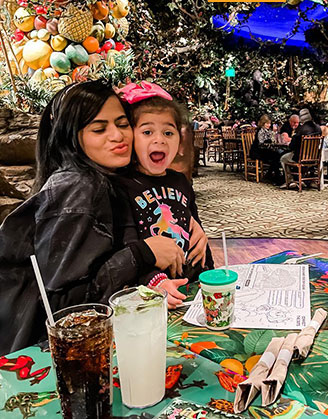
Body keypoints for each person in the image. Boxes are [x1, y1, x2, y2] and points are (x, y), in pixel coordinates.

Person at [0, 81, 199, 355]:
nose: (118, 136)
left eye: (122, 123)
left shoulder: (108, 179)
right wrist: (142, 253)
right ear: (71, 136)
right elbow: (67, 302)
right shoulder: (78, 188)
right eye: (99, 128)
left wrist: (189, 223)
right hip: (49, 354)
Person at [112, 81, 214, 305]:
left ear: (179, 142)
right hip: (154, 293)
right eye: (147, 132)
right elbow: (127, 246)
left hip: (192, 285)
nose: (159, 139)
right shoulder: (122, 185)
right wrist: (154, 282)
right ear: (130, 139)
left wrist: (210, 272)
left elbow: (196, 231)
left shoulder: (181, 181)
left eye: (169, 132)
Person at [280, 108, 321, 186]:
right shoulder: (318, 128)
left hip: (301, 157)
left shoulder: (301, 130)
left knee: (283, 158)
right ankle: (306, 179)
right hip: (315, 157)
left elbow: (292, 146)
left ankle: (291, 180)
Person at [249, 114, 284, 183]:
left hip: (264, 150)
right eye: (267, 123)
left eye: (269, 123)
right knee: (275, 156)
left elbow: (273, 139)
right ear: (263, 123)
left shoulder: (268, 131)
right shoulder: (260, 131)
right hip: (257, 151)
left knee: (277, 155)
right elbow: (261, 143)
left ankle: (270, 174)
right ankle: (275, 175)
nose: (269, 125)